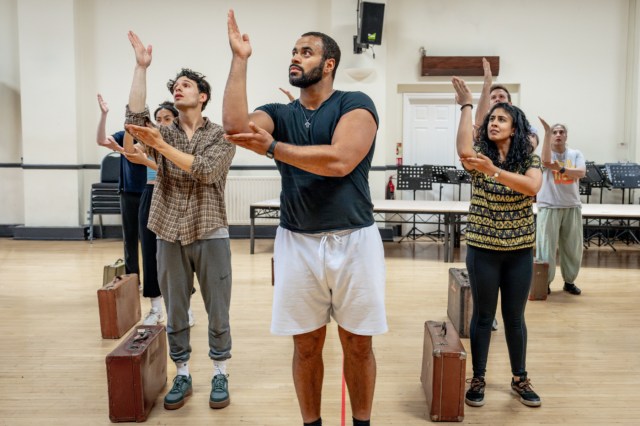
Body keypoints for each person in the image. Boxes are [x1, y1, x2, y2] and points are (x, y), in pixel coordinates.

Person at [223, 10, 387, 426]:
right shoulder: (279, 112)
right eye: (294, 52)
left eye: (307, 52)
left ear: (328, 64)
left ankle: (362, 423)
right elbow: (234, 127)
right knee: (306, 347)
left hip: (354, 240)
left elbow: (340, 160)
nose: (296, 57)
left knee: (357, 345)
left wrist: (275, 148)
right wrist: (239, 59)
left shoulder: (355, 103)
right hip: (297, 241)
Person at [124, 31, 235, 411]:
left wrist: (161, 147)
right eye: (174, 86)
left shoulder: (221, 135)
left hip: (210, 230)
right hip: (167, 229)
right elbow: (134, 119)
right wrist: (141, 68)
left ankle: (220, 371)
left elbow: (204, 171)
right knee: (175, 310)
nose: (178, 89)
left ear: (202, 95)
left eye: (186, 85)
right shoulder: (162, 131)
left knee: (217, 309)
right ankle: (183, 372)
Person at [452, 76, 543, 408]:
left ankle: (520, 378)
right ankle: (478, 378)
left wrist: (494, 171)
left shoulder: (527, 159)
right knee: (482, 315)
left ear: (515, 128)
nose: (494, 123)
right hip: (483, 249)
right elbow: (463, 149)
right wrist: (466, 106)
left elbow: (532, 188)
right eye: (491, 118)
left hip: (519, 251)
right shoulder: (479, 157)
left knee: (515, 317)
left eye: (501, 119)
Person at [123, 102, 196, 327]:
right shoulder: (150, 140)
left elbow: (181, 168)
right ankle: (156, 308)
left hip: (174, 195)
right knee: (150, 251)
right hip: (151, 193)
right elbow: (129, 152)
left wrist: (146, 161)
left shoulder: (182, 140)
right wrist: (129, 130)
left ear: (175, 120)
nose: (162, 122)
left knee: (179, 255)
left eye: (166, 118)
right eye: (159, 118)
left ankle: (185, 309)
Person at [96, 94, 145, 277]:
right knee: (129, 239)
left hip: (150, 192)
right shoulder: (122, 135)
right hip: (128, 192)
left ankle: (154, 282)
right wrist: (104, 115)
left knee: (150, 241)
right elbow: (101, 140)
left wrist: (119, 149)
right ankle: (133, 279)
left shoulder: (150, 135)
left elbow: (133, 152)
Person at [535, 121, 586, 295]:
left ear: (566, 136)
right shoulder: (546, 152)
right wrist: (546, 133)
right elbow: (546, 161)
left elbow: (581, 172)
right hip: (549, 206)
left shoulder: (575, 153)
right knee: (546, 247)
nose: (558, 134)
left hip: (571, 205)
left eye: (561, 132)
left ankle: (569, 281)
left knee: (572, 247)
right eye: (554, 132)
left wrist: (562, 169)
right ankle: (545, 282)